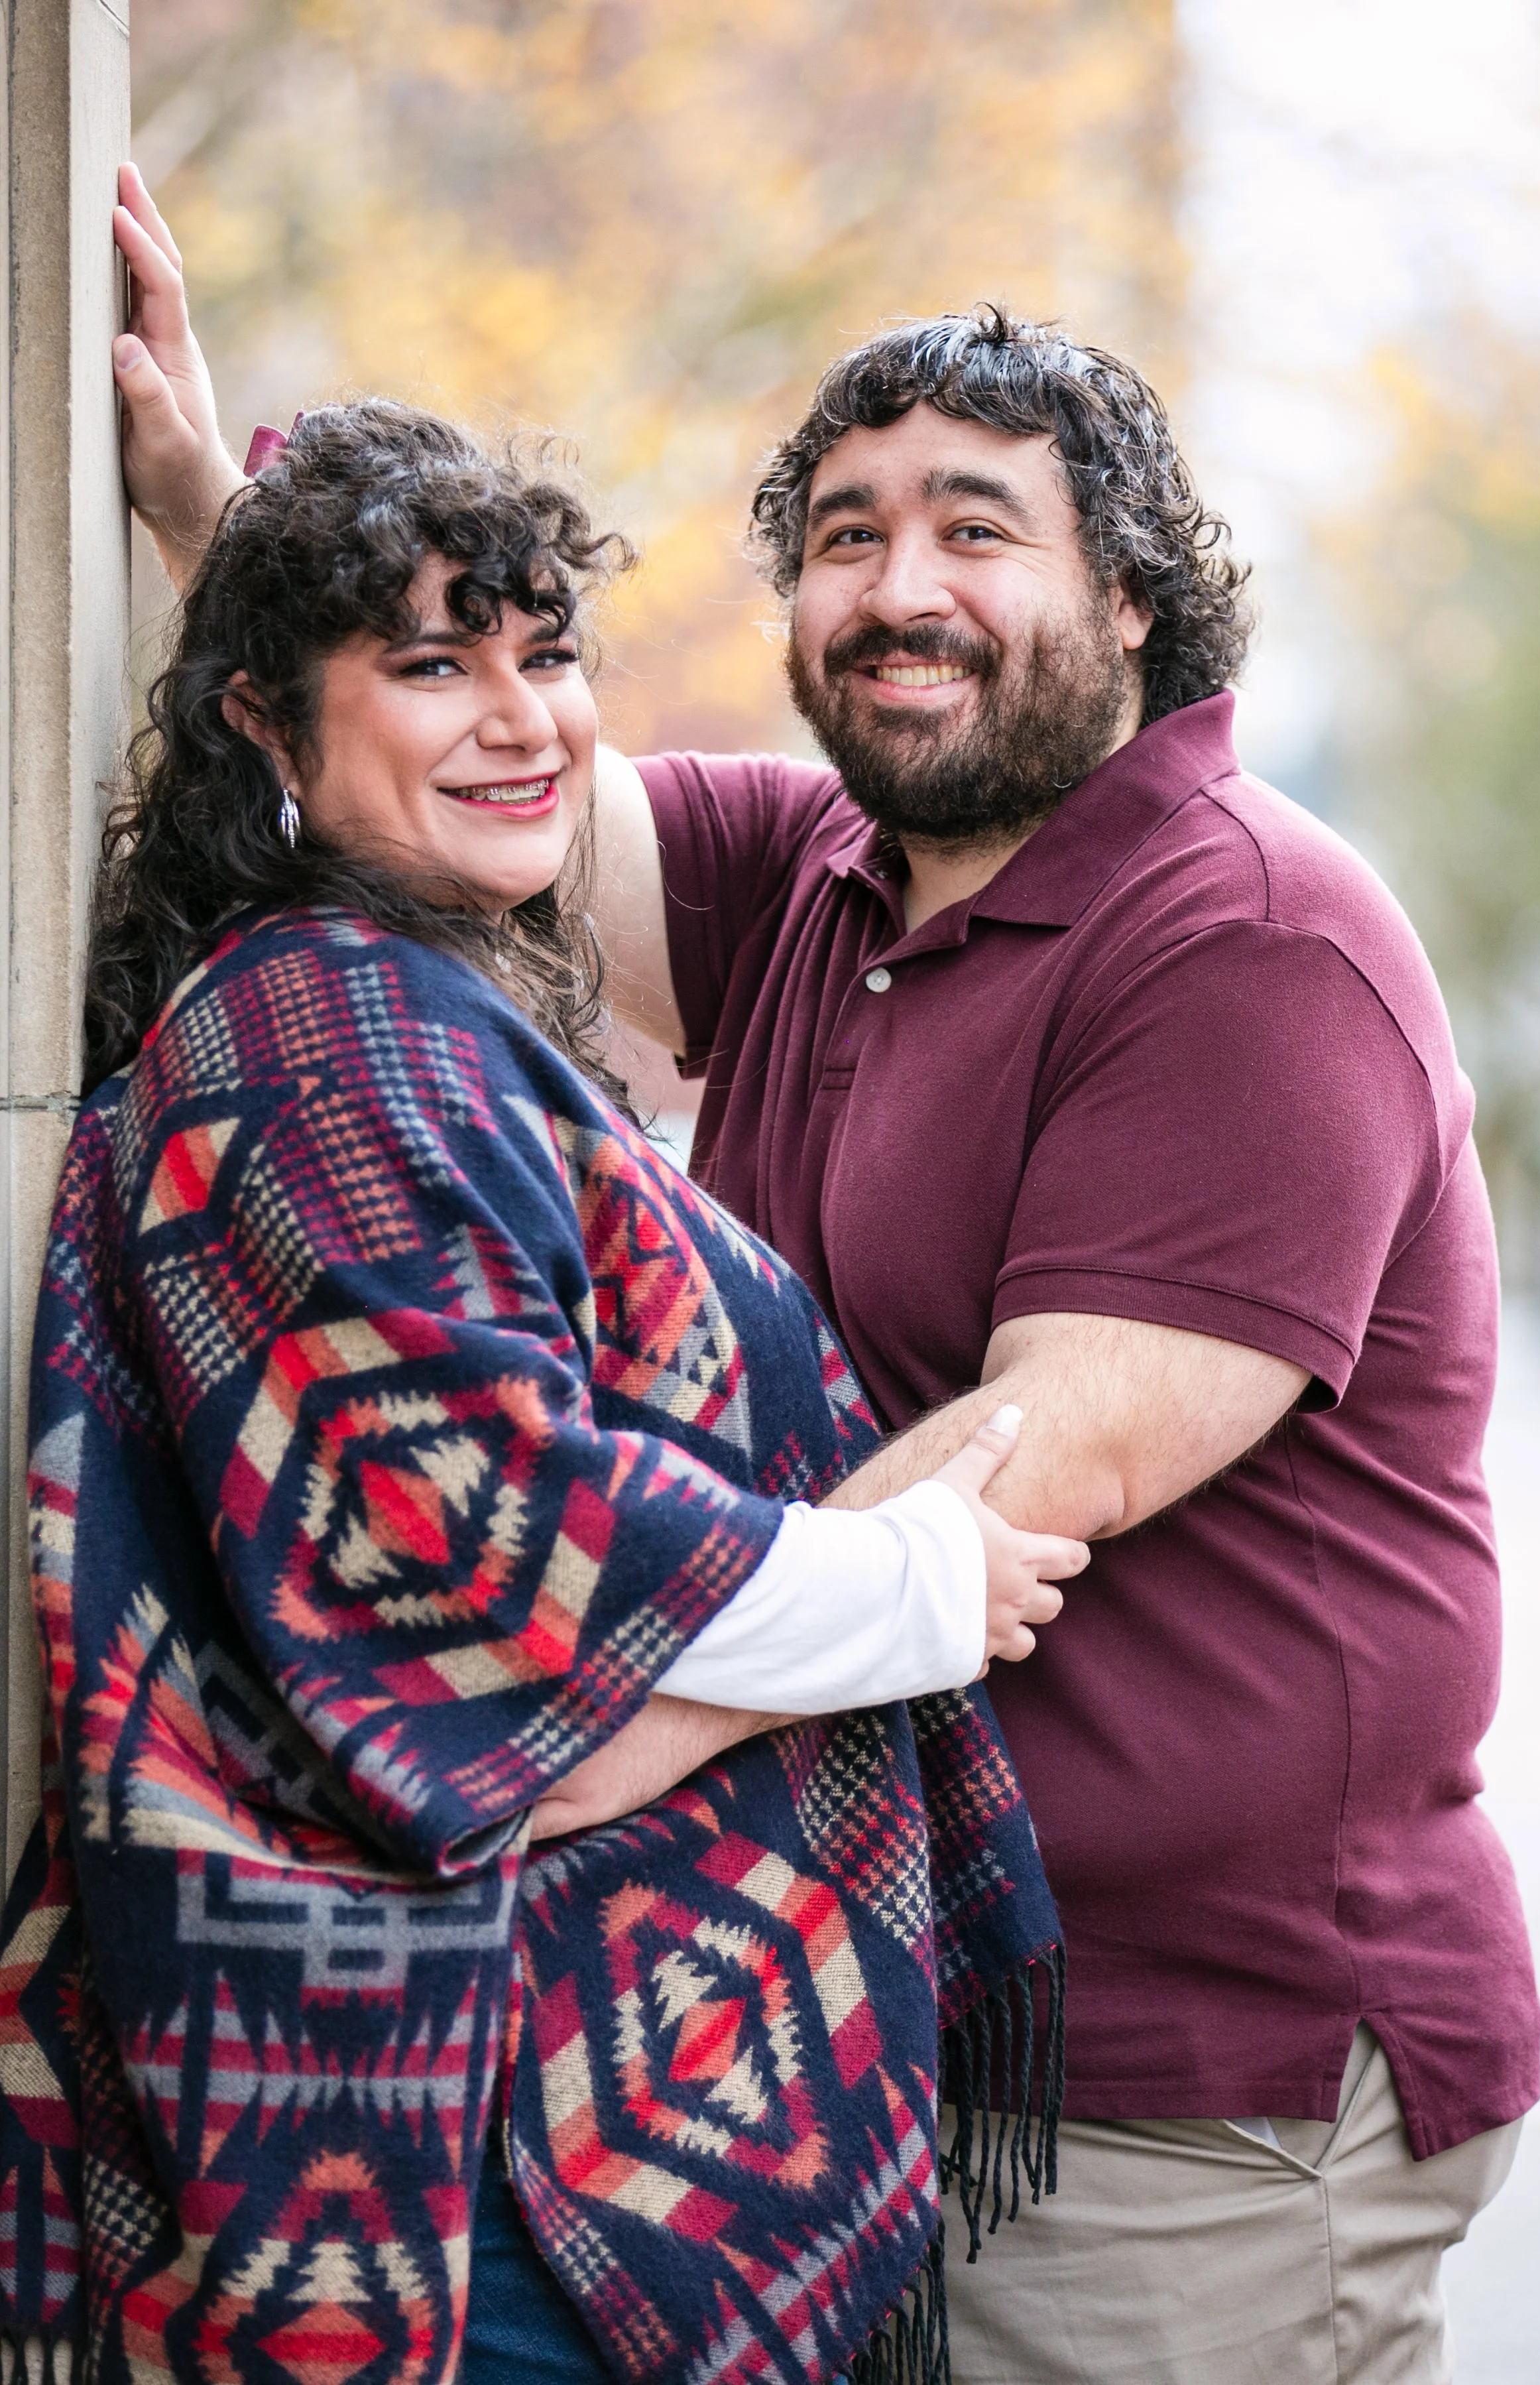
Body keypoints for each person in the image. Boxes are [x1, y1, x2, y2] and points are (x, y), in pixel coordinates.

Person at [111, 164, 1540, 2384]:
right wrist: (229, 527)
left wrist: (572, 1747)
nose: (901, 587)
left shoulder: (1245, 941)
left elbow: (1019, 1479)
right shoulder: (822, 876)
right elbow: (478, 774)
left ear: (1136, 602)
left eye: (978, 528)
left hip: (1185, 2088)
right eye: (849, 534)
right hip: (865, 1997)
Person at [0, 392, 1093, 2385]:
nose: (524, 719)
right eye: (433, 666)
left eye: (546, 651)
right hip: (487, 2165)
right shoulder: (333, 1038)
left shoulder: (394, 989)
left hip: (531, 2104)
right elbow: (490, 1547)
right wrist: (919, 1581)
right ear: (263, 721)